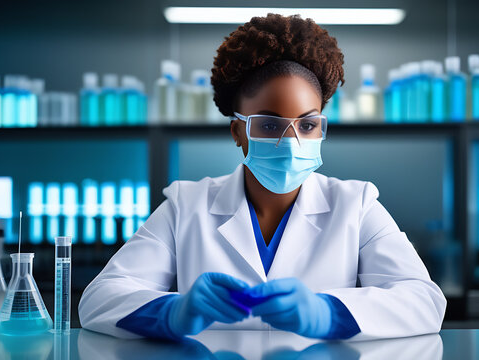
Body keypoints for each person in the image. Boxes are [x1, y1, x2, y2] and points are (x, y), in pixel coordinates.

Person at [79, 13, 446, 341]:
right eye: (269, 124)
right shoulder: (186, 205)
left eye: (307, 124)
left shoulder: (356, 205)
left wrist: (327, 312)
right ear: (237, 132)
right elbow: (99, 300)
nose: (292, 142)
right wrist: (173, 312)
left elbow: (424, 300)